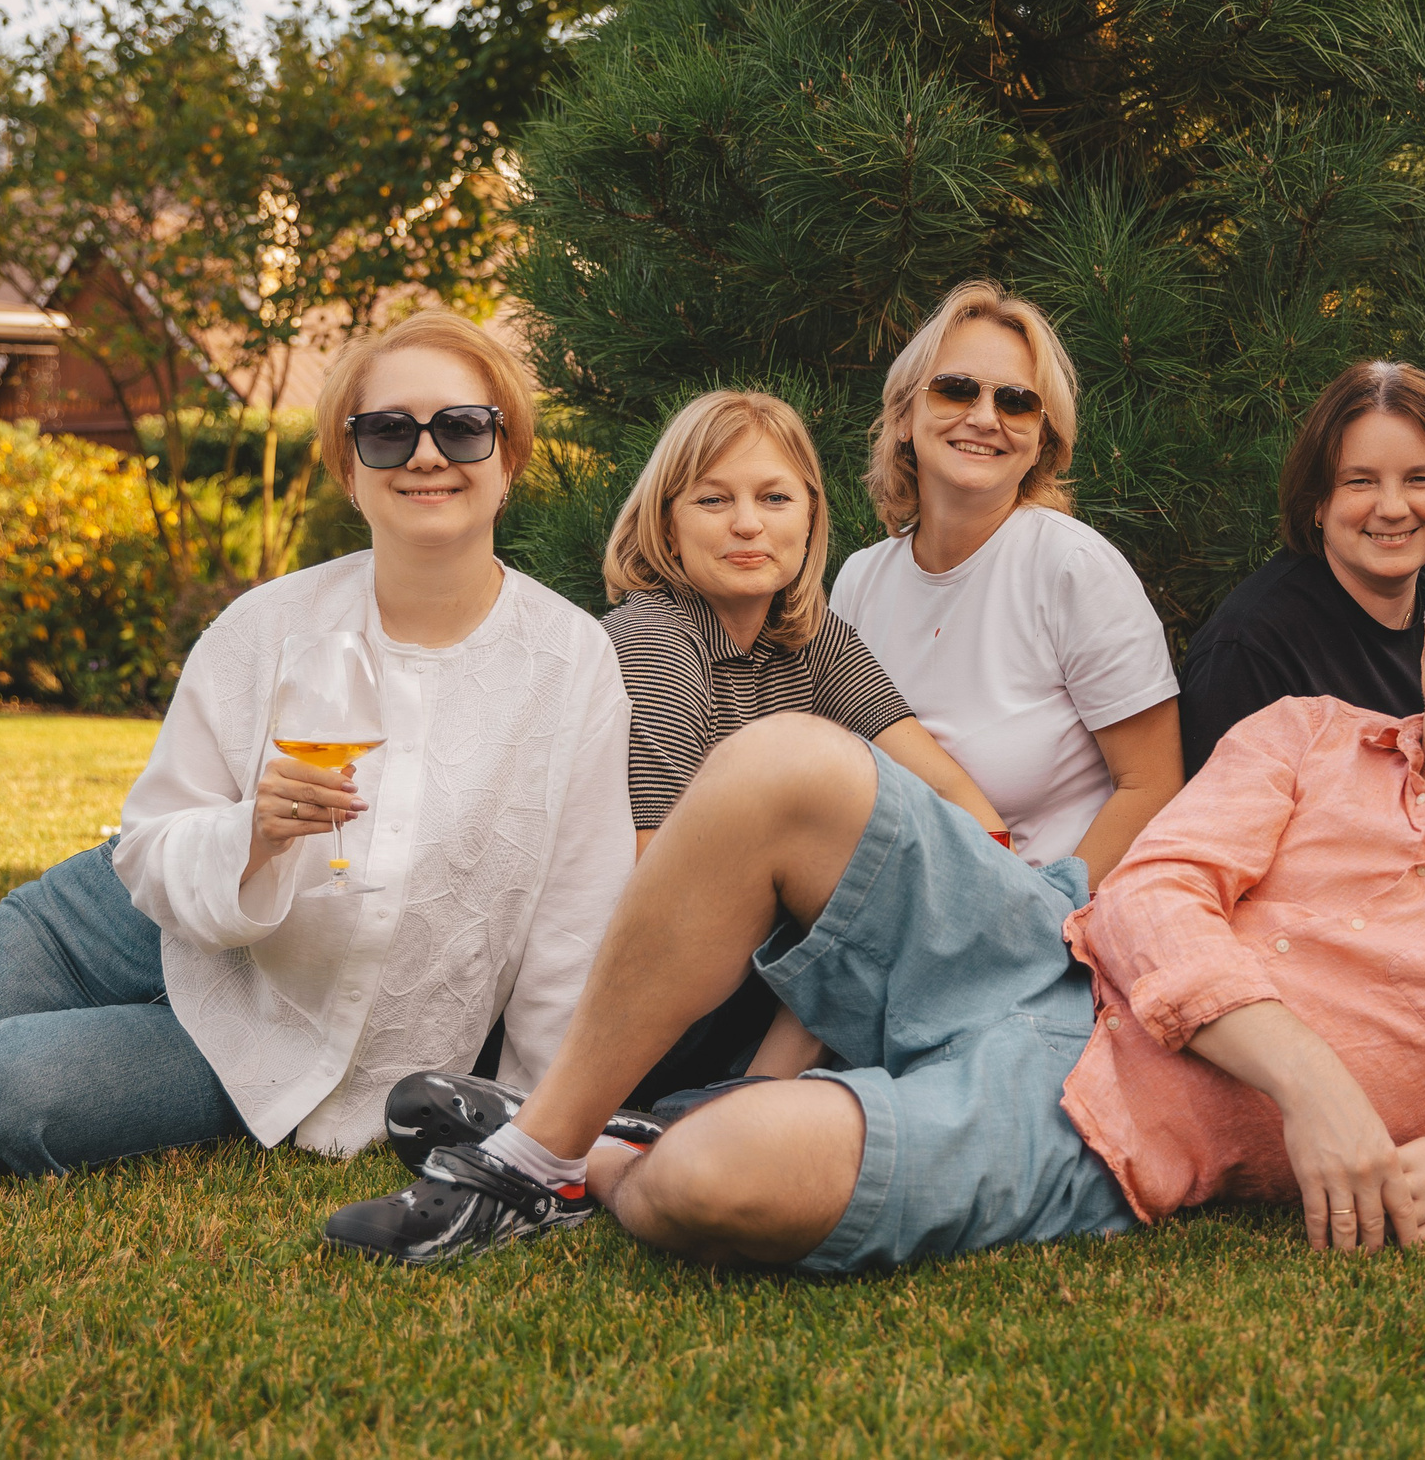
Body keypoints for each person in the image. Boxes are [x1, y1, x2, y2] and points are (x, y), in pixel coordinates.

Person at [321, 482, 1425, 1270]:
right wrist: (1320, 1083)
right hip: (1040, 944)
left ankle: (615, 1151)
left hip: (1118, 1123)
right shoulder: (1305, 737)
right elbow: (1152, 896)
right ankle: (536, 1150)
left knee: (714, 1182)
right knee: (789, 758)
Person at [0, 312, 636, 1175]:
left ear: (508, 455)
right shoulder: (267, 624)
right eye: (388, 433)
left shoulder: (571, 662)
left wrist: (536, 1134)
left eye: (463, 427)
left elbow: (574, 928)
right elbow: (156, 836)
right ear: (349, 470)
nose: (428, 454)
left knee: (1, 1101)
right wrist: (254, 831)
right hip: (120, 922)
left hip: (290, 1018)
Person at [388, 390, 1005, 1157]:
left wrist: (964, 874)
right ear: (668, 523)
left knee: (880, 880)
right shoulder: (653, 638)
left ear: (810, 516)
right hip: (619, 994)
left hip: (733, 980)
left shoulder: (813, 641)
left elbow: (961, 800)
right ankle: (739, 1108)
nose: (748, 523)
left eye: (774, 497)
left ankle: (743, 1107)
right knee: (856, 885)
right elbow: (660, 884)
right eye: (714, 499)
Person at [828, 279, 1182, 879]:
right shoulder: (861, 581)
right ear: (904, 417)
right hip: (897, 909)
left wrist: (1047, 921)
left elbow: (1152, 786)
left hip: (1048, 923)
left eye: (1017, 402)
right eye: (955, 390)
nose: (985, 417)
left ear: (1043, 439)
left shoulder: (1072, 568)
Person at [1178, 360, 1425, 776]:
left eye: (1420, 479)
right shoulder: (1248, 651)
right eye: (1360, 481)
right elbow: (1217, 831)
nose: (1392, 508)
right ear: (1317, 500)